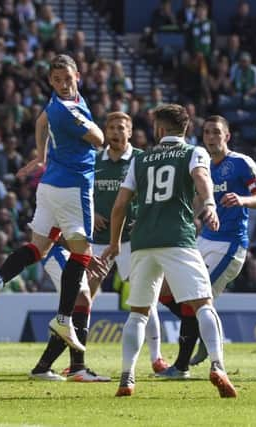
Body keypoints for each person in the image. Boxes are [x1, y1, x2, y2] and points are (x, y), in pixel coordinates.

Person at [102, 104, 237, 398]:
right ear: (185, 129)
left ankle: (127, 377)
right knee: (204, 304)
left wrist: (114, 243)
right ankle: (218, 366)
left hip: (141, 243)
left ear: (159, 130)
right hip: (177, 238)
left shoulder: (141, 159)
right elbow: (202, 178)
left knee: (137, 313)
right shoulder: (193, 152)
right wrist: (210, 205)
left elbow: (119, 206)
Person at [0, 54, 105, 353]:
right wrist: (90, 126)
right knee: (83, 253)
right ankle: (63, 319)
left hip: (49, 187)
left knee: (39, 247)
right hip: (74, 186)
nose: (62, 84)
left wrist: (41, 155)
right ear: (51, 81)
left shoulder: (55, 104)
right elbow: (99, 139)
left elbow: (41, 120)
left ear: (77, 76)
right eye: (57, 80)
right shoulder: (69, 110)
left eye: (66, 79)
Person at [156, 115, 256, 378]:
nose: (211, 137)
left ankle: (182, 366)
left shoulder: (241, 163)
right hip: (203, 239)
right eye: (207, 133)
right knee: (164, 291)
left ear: (227, 136)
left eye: (217, 132)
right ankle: (205, 334)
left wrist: (242, 199)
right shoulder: (202, 163)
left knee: (194, 298)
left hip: (230, 245)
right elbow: (198, 201)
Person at [90, 111, 169, 375]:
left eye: (120, 127)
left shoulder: (141, 160)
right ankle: (76, 359)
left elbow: (152, 196)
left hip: (130, 241)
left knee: (143, 298)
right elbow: (81, 192)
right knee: (83, 296)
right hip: (98, 240)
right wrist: (90, 214)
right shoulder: (93, 160)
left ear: (130, 131)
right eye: (111, 127)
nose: (115, 131)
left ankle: (157, 357)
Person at [28, 239, 110, 382]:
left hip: (74, 251)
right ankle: (77, 368)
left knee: (77, 304)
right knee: (81, 299)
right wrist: (85, 255)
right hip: (60, 249)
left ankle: (43, 367)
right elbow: (59, 227)